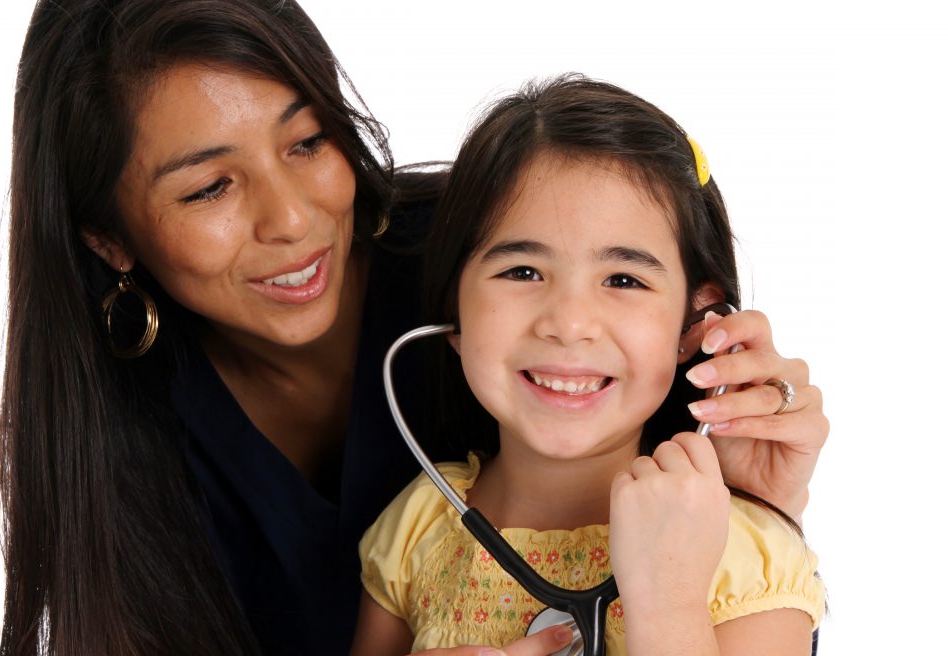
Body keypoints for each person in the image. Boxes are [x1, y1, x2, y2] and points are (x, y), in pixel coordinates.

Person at [0, 0, 827, 653]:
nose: (293, 218)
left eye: (310, 140)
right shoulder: (413, 530)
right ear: (108, 238)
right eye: (210, 187)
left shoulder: (492, 239)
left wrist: (759, 495)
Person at [351, 76, 826, 655]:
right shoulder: (414, 530)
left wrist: (668, 600)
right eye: (522, 272)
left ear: (694, 326)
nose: (569, 322)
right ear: (455, 311)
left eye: (624, 279)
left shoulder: (743, 549)